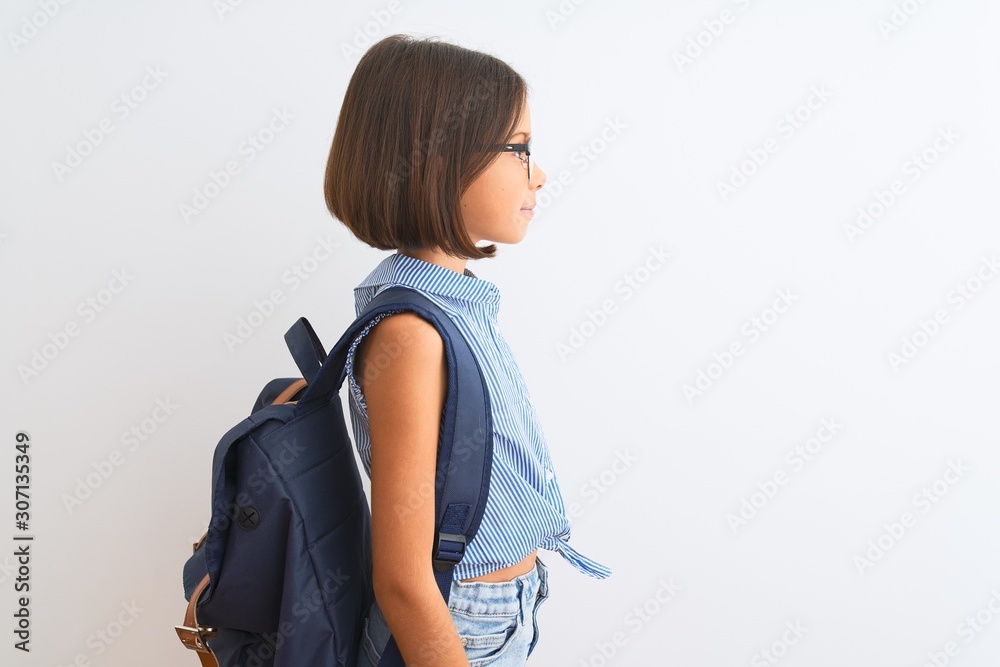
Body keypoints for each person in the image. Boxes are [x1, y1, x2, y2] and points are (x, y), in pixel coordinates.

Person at [324, 33, 612, 667]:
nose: (539, 172)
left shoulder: (457, 306)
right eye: (519, 150)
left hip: (504, 607)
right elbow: (402, 578)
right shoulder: (412, 334)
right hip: (462, 623)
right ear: (440, 160)